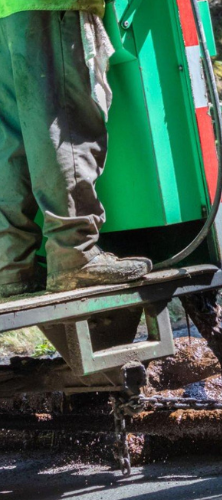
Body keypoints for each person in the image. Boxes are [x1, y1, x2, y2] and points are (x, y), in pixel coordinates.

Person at [0, 2, 152, 298]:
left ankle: (11, 266)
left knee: (10, 135)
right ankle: (74, 253)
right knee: (63, 118)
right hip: (49, 5)